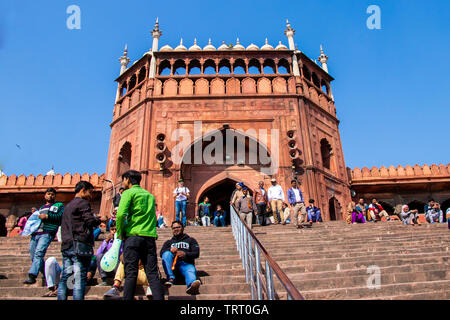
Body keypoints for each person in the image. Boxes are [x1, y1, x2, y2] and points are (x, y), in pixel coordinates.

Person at [116, 170, 164, 301]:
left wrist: (120, 232)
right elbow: (154, 218)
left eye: (124, 180)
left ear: (128, 180)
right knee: (153, 274)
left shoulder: (128, 193)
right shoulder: (149, 195)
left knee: (131, 273)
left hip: (133, 236)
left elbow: (120, 215)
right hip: (149, 238)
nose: (123, 182)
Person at [57, 181, 106, 300]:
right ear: (83, 190)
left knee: (65, 277)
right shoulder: (83, 203)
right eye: (90, 192)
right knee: (79, 278)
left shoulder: (68, 206)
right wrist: (100, 220)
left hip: (67, 245)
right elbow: (89, 221)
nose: (91, 195)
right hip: (79, 246)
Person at [24, 188, 64, 285]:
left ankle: (32, 275)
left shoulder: (58, 205)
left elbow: (60, 217)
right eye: (48, 194)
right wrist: (36, 213)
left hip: (47, 232)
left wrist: (47, 216)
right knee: (33, 255)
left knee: (39, 253)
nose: (50, 196)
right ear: (45, 195)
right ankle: (45, 274)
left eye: (52, 194)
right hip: (36, 233)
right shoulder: (42, 207)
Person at [160, 221, 201, 295]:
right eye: (174, 228)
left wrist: (185, 254)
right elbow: (161, 253)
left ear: (182, 228)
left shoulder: (191, 240)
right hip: (173, 267)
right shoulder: (168, 242)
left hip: (186, 265)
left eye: (178, 227)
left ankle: (191, 285)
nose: (176, 229)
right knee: (166, 254)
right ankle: (170, 278)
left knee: (190, 269)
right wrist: (170, 250)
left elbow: (196, 253)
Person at [95, 221, 123, 286]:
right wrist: (106, 241)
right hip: (107, 267)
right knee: (100, 256)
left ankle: (118, 280)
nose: (114, 231)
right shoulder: (108, 241)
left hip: (117, 267)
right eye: (112, 229)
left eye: (116, 229)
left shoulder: (122, 241)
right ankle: (104, 279)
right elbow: (98, 253)